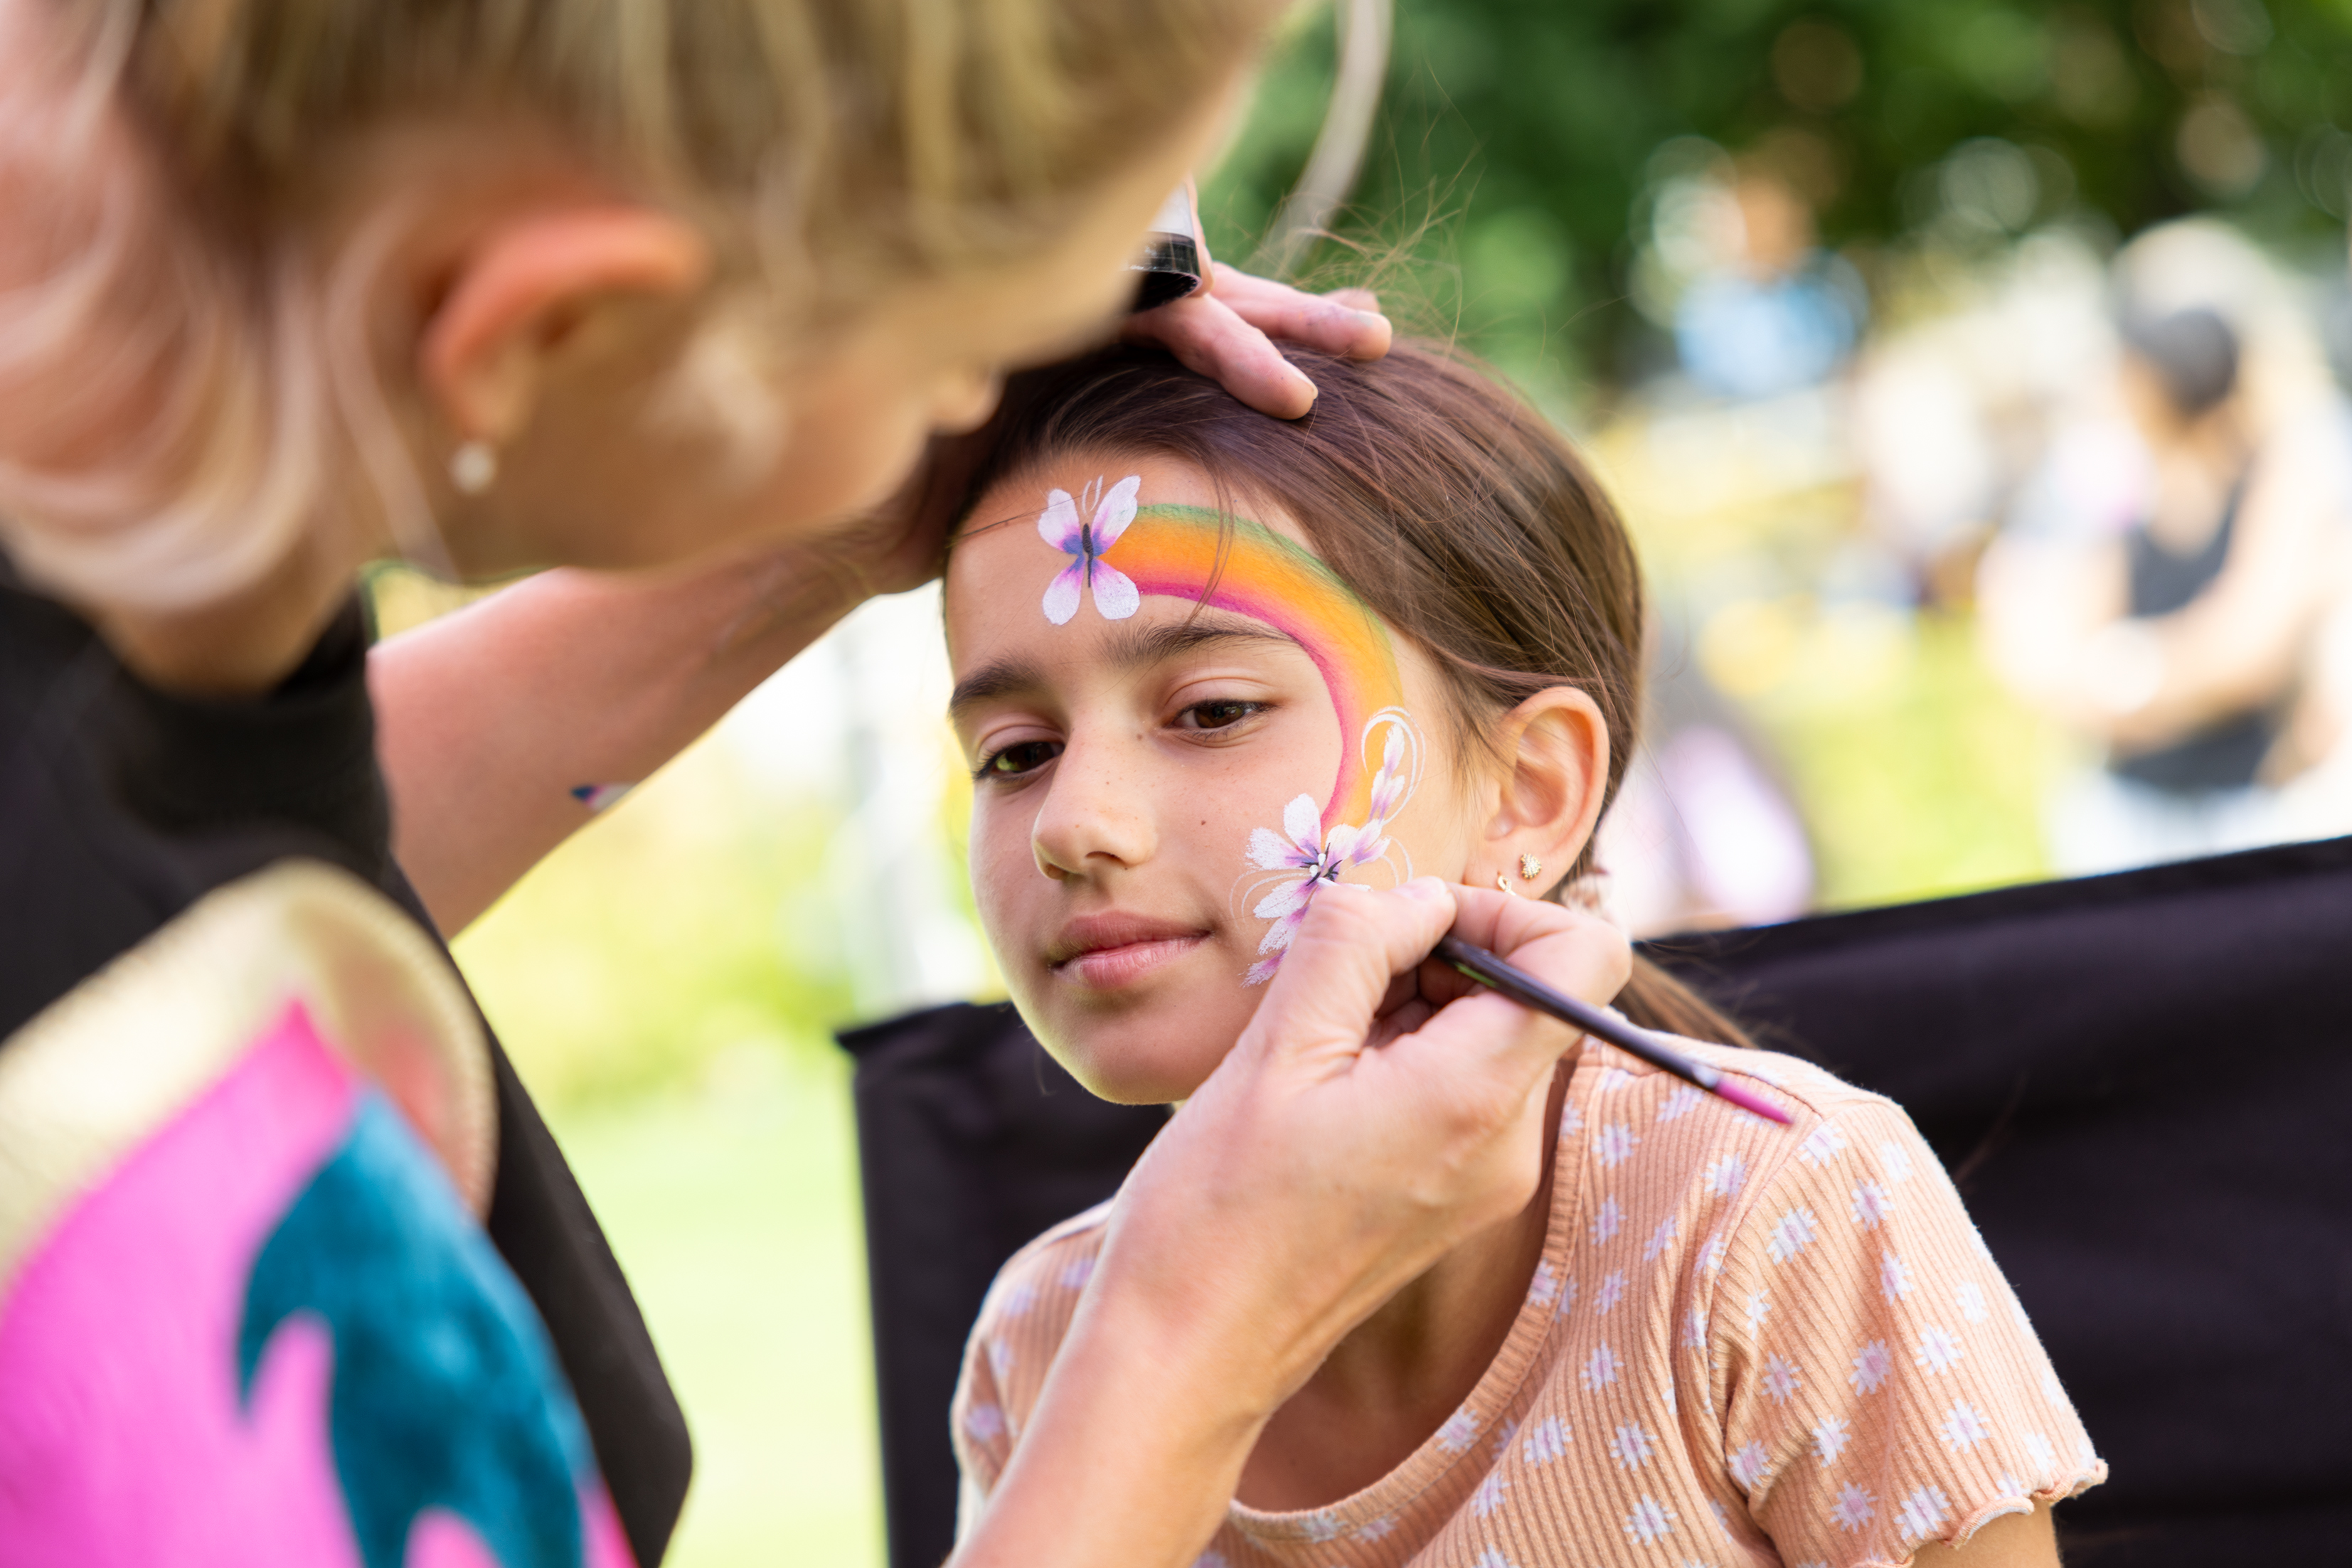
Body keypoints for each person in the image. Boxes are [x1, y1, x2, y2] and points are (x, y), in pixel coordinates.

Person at [0, 5, 1624, 1566]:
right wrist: (1190, 1340)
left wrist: (823, 506)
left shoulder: (137, 621)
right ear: (547, 323)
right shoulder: (106, 1224)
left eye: (1205, 706)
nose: (1079, 822)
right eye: (942, 353)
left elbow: (208, 855)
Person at [940, 342, 2103, 1565]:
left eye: (1214, 710)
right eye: (1015, 751)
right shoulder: (1043, 1339)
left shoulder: (1774, 1218)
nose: (1073, 823)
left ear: (1529, 795)